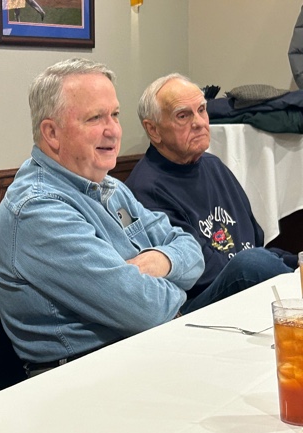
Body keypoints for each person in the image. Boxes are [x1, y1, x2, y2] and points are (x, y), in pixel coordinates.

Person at [0, 58, 204, 376]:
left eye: (115, 115)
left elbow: (192, 250)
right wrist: (178, 287)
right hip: (86, 374)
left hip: (143, 352)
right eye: (95, 118)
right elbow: (147, 309)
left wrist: (160, 262)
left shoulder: (109, 186)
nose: (113, 130)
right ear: (51, 133)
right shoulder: (38, 210)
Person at [126, 73, 296, 314]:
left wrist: (295, 262)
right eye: (183, 115)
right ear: (153, 130)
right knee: (251, 264)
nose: (199, 122)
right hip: (195, 304)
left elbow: (254, 242)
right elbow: (199, 273)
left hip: (244, 281)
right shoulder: (145, 189)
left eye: (202, 110)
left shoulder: (214, 165)